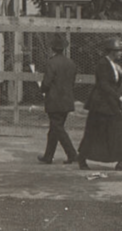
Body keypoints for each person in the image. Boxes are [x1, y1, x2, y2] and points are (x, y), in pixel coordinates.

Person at [77, 39, 122, 171]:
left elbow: (114, 84)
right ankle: (82, 158)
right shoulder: (102, 64)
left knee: (117, 130)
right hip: (100, 105)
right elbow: (103, 85)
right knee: (93, 131)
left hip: (110, 104)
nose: (121, 53)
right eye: (118, 51)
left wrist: (121, 74)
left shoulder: (114, 65)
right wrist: (120, 98)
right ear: (111, 51)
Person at [38, 36, 78, 165]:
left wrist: (42, 90)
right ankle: (48, 156)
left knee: (57, 127)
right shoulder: (71, 63)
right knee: (54, 128)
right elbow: (72, 82)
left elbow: (47, 82)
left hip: (54, 100)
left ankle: (72, 154)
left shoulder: (51, 63)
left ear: (52, 49)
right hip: (67, 99)